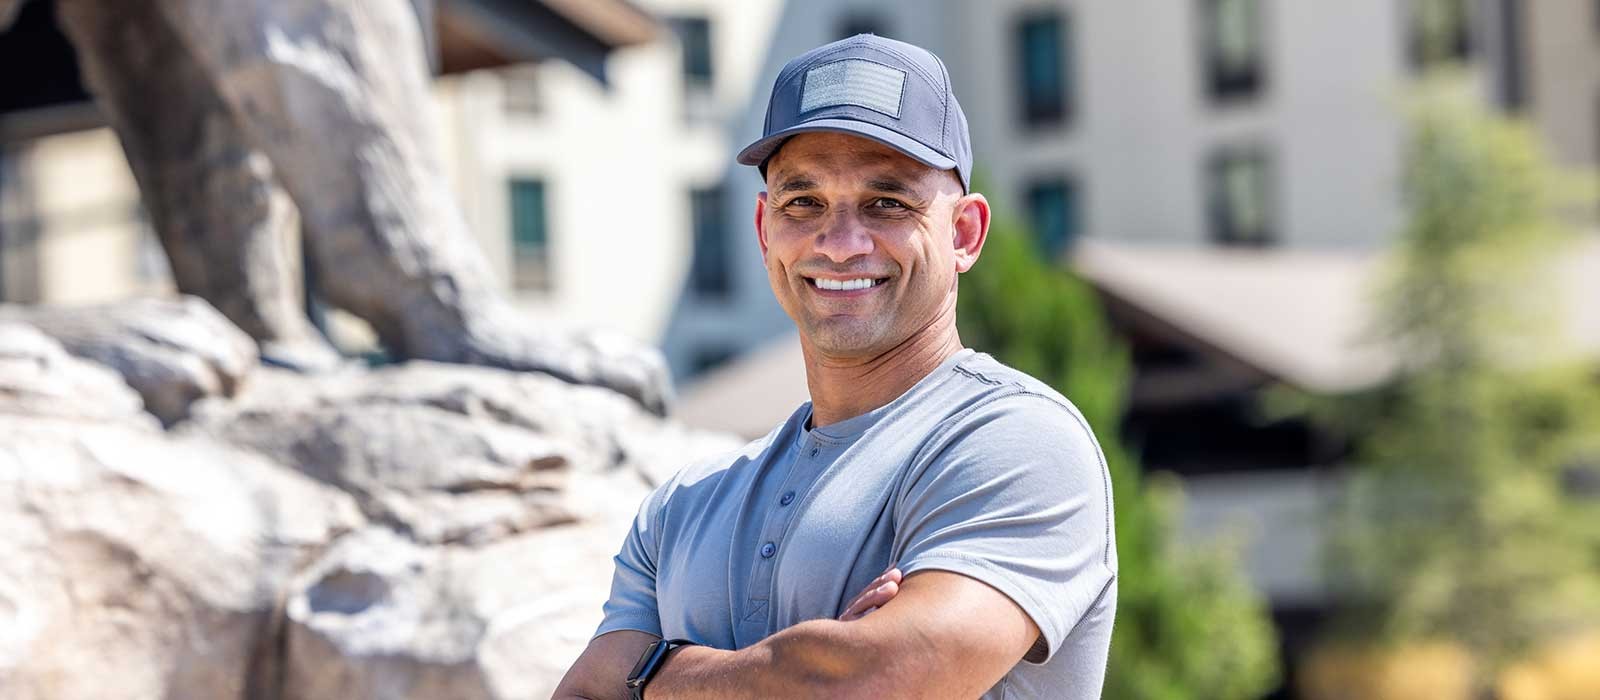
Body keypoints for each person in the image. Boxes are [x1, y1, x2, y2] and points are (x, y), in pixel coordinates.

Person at [554, 34, 1116, 700]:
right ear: (766, 231)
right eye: (804, 203)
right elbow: (585, 691)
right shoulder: (680, 508)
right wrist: (810, 665)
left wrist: (649, 673)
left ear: (963, 233)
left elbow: (867, 681)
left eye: (887, 203)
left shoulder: (1017, 443)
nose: (841, 244)